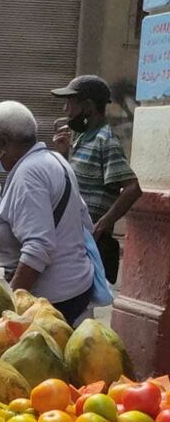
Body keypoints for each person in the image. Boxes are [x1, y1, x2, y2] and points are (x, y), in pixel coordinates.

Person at [0, 101, 94, 326]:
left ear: (3, 143)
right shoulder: (54, 161)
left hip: (50, 302)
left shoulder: (29, 175)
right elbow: (86, 222)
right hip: (73, 290)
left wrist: (9, 310)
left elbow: (38, 247)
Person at [51, 75, 141, 284]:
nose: (66, 109)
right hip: (73, 241)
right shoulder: (82, 138)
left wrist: (102, 224)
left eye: (70, 103)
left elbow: (132, 188)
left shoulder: (105, 141)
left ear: (88, 107)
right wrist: (64, 154)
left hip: (89, 245)